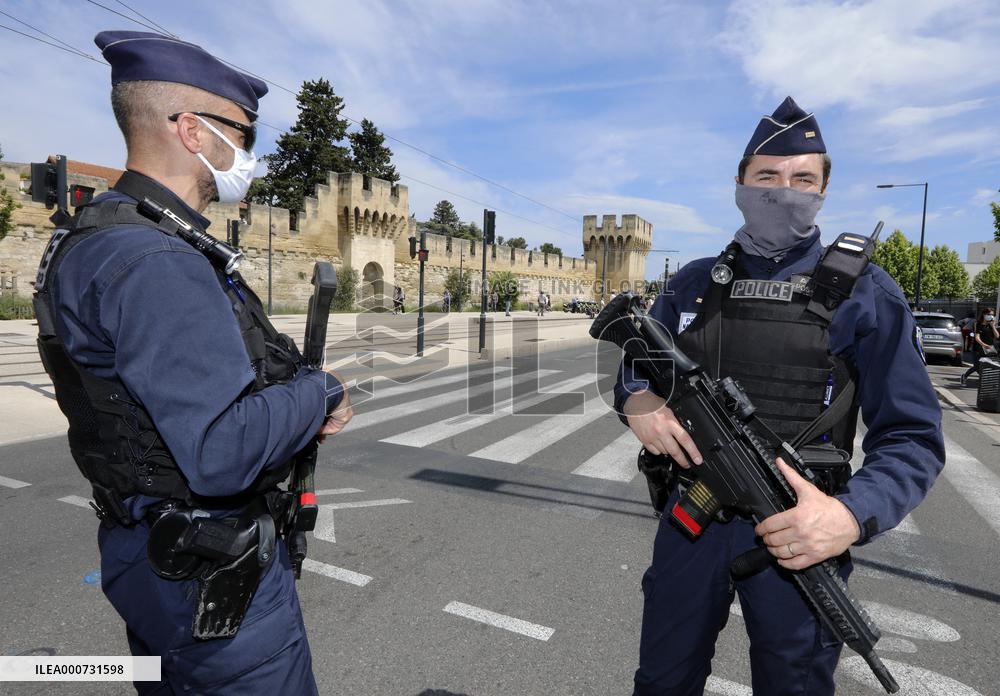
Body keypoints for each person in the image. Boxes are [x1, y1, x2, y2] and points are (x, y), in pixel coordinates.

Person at [32, 31, 353, 694]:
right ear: (191, 130)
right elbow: (219, 451)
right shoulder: (160, 262)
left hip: (149, 550)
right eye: (244, 134)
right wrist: (320, 393)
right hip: (209, 575)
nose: (250, 155)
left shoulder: (102, 235)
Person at [615, 96, 944, 696]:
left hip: (799, 528)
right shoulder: (693, 283)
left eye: (801, 179)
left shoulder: (867, 293)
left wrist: (848, 516)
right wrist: (638, 400)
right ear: (739, 182)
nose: (782, 190)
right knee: (663, 680)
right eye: (766, 176)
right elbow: (635, 365)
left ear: (822, 191)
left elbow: (913, 438)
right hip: (691, 517)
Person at [961, 308, 997, 385]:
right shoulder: (977, 324)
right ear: (984, 314)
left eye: (993, 315)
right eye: (989, 314)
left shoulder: (991, 325)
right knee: (977, 366)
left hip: (989, 349)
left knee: (988, 365)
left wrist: (993, 326)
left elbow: (997, 336)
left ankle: (986, 382)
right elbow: (977, 337)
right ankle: (965, 376)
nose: (991, 316)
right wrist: (984, 345)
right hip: (978, 348)